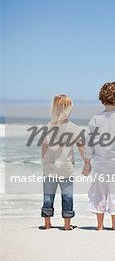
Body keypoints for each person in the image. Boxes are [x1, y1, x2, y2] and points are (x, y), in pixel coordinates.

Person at [82, 81, 115, 231]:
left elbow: (89, 143)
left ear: (102, 98)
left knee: (99, 194)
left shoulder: (95, 119)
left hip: (99, 165)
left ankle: (99, 225)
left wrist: (87, 162)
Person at [41, 94, 84, 230]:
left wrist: (44, 162)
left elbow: (44, 147)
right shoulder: (74, 128)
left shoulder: (47, 127)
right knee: (67, 195)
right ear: (68, 110)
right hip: (66, 167)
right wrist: (87, 161)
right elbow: (81, 147)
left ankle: (47, 224)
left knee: (48, 195)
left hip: (50, 167)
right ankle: (66, 225)